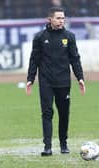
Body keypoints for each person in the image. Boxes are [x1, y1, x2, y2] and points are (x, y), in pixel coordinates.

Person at [26, 7, 86, 156]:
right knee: (47, 113)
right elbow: (34, 60)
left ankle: (63, 144)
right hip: (46, 81)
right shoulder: (40, 37)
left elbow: (75, 59)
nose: (61, 21)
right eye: (58, 18)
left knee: (64, 114)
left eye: (63, 18)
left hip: (64, 81)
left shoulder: (69, 37)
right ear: (50, 19)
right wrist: (30, 79)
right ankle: (47, 147)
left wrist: (80, 78)